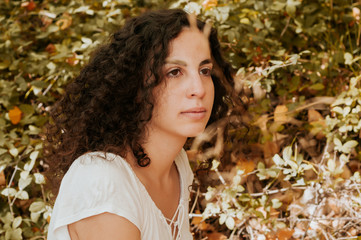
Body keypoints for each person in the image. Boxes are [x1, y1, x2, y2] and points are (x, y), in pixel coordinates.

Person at [45, 8, 234, 240]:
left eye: (205, 71)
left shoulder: (177, 165)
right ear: (135, 87)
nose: (199, 89)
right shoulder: (103, 182)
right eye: (174, 72)